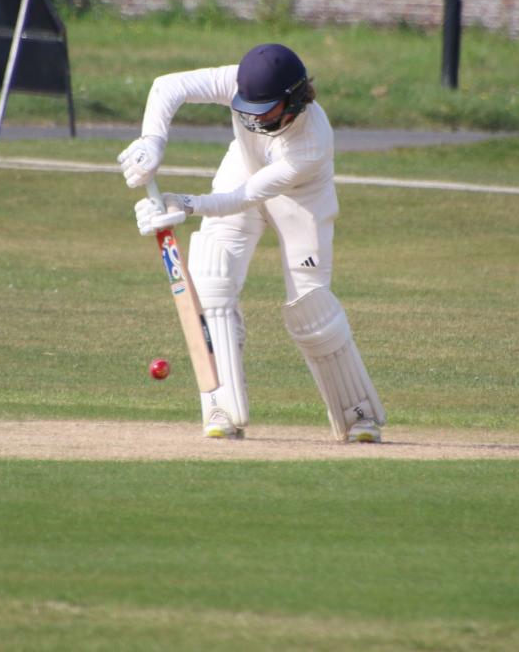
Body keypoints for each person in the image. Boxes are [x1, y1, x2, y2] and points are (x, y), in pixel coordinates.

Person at [118, 42, 386, 443]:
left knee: (312, 310)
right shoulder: (238, 82)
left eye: (264, 111)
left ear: (293, 100)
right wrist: (152, 142)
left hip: (300, 199)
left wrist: (186, 204)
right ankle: (221, 408)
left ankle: (358, 415)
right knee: (211, 280)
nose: (251, 117)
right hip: (240, 170)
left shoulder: (311, 143)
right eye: (245, 106)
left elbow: (245, 197)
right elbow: (167, 86)